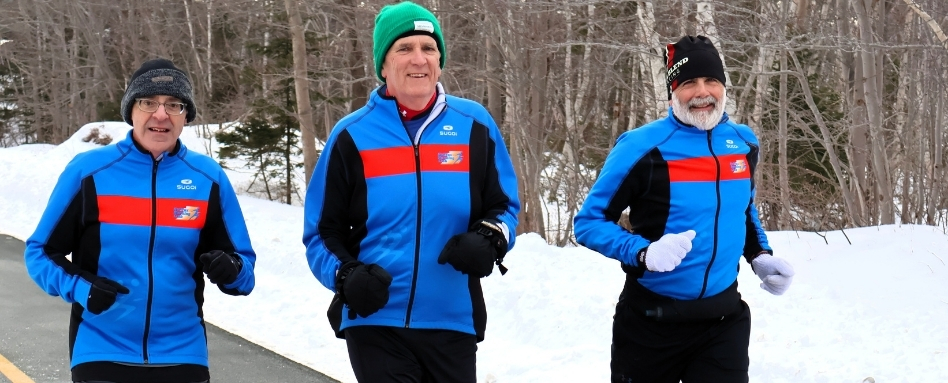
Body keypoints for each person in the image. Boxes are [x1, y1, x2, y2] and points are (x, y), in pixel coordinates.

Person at [302, 2, 520, 382]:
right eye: (404, 49)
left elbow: (505, 207)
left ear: (440, 60)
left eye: (428, 48)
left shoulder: (475, 126)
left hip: (453, 320)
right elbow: (321, 233)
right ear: (383, 65)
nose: (418, 58)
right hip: (375, 318)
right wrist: (346, 275)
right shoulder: (352, 135)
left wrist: (489, 239)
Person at [573, 35, 795, 383]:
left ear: (724, 86)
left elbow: (743, 209)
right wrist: (643, 252)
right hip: (651, 324)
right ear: (673, 90)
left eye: (712, 81)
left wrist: (759, 254)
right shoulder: (642, 147)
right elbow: (588, 223)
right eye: (689, 82)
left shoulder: (743, 142)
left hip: (723, 322)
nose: (702, 92)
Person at [24, 58, 257, 383]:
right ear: (131, 111)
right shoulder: (88, 172)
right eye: (149, 103)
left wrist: (230, 269)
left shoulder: (208, 178)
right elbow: (39, 252)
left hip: (183, 354)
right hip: (101, 351)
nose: (160, 115)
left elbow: (244, 272)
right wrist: (80, 287)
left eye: (173, 105)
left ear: (185, 116)